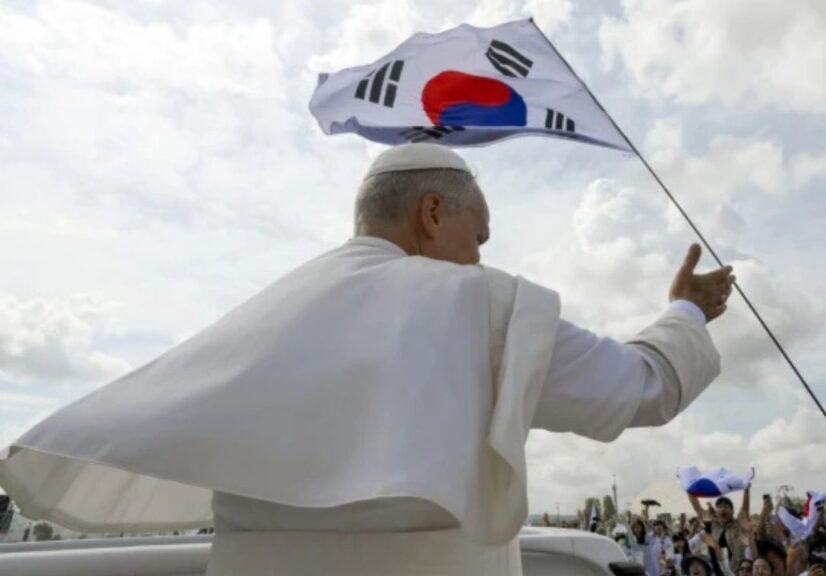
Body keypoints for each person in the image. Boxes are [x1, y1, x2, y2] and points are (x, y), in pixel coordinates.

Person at [0, 144, 735, 575]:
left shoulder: (264, 314)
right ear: (433, 214)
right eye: (479, 236)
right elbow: (644, 389)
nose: (482, 256)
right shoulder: (484, 306)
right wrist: (687, 311)